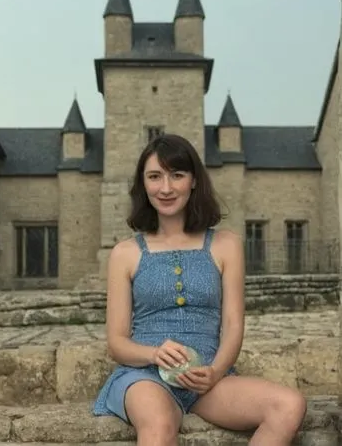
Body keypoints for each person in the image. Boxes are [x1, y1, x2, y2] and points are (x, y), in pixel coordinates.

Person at [93, 133, 307, 446]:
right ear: (143, 184)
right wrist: (154, 353)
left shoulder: (226, 244)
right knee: (159, 423)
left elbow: (233, 324)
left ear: (194, 181)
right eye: (155, 177)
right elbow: (117, 343)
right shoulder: (125, 253)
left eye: (177, 175)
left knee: (289, 406)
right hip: (144, 376)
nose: (165, 188)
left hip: (207, 377)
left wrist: (217, 371)